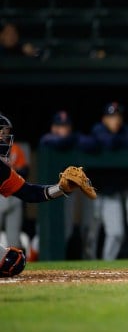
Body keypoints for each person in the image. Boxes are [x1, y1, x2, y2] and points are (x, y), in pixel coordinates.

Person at [0, 114, 94, 278]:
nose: (3, 138)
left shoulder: (1, 170)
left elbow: (30, 192)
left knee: (13, 262)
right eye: (0, 134)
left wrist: (61, 188)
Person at [38, 110, 97, 261]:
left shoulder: (75, 139)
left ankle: (86, 258)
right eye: (59, 126)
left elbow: (92, 143)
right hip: (48, 192)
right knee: (53, 231)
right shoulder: (47, 138)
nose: (63, 129)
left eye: (65, 126)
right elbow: (58, 142)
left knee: (79, 227)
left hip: (70, 191)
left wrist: (73, 138)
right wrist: (73, 138)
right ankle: (47, 259)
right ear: (53, 127)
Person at [89, 102, 128, 260]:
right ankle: (87, 263)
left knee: (117, 232)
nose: (116, 120)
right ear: (104, 119)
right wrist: (122, 140)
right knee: (90, 233)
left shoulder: (125, 130)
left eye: (118, 116)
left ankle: (107, 263)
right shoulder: (97, 129)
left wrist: (121, 137)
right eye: (111, 117)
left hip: (112, 191)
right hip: (91, 191)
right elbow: (109, 143)